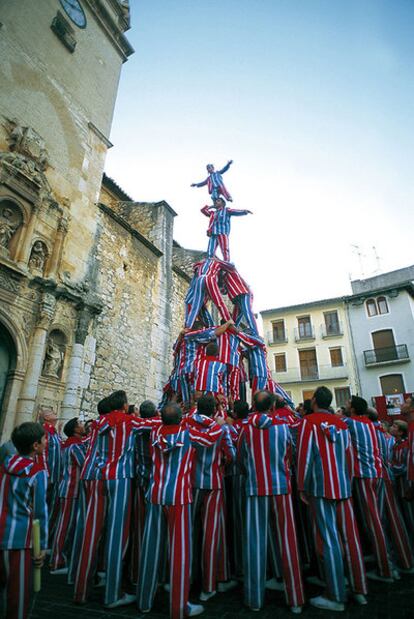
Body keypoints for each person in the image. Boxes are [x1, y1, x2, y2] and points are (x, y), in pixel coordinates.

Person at [137, 402, 224, 618]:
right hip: (179, 498)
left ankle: (144, 600)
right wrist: (217, 421)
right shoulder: (188, 434)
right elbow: (211, 435)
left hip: (156, 495)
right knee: (180, 552)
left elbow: (147, 422)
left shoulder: (155, 432)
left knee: (150, 549)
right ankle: (179, 606)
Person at [74, 390, 153, 608]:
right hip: (119, 478)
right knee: (118, 534)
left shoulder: (98, 423)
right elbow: (153, 423)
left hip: (98, 477)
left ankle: (81, 590)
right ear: (125, 406)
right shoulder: (130, 422)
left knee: (92, 533)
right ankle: (112, 594)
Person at [297, 386, 367, 611]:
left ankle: (335, 594)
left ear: (315, 400)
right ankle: (359, 588)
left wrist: (301, 486)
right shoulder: (343, 424)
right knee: (350, 539)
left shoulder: (309, 422)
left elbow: (304, 457)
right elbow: (348, 456)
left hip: (321, 488)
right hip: (343, 488)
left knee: (328, 540)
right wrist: (348, 482)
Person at [238, 390, 304, 614]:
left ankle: (254, 598)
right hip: (281, 487)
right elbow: (290, 454)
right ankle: (295, 598)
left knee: (255, 541)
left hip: (255, 487)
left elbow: (241, 457)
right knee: (288, 540)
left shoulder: (246, 428)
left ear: (254, 406)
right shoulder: (283, 427)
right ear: (273, 407)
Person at [190, 395, 236, 601]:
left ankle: (187, 577)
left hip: (191, 484)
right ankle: (208, 585)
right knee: (211, 534)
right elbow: (232, 454)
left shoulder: (187, 425)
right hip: (214, 483)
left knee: (188, 532)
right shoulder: (222, 429)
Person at [0, 422, 48, 619]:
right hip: (20, 539)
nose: (47, 442)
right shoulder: (37, 472)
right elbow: (40, 512)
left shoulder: (4, 465)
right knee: (17, 594)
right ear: (35, 446)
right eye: (44, 439)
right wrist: (42, 545)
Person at [345, 395, 394, 582]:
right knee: (378, 519)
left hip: (364, 475)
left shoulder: (351, 423)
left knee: (372, 521)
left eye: (349, 403)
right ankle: (386, 559)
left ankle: (386, 569)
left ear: (353, 408)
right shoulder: (370, 424)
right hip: (377, 473)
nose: (346, 405)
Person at [50, 417, 87, 575]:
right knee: (65, 526)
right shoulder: (75, 446)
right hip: (72, 490)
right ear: (75, 430)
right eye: (79, 424)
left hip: (66, 488)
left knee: (63, 524)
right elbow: (84, 463)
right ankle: (57, 560)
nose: (82, 425)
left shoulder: (68, 445)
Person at [36, 409, 62, 545]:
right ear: (46, 418)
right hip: (49, 478)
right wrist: (46, 475)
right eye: (51, 412)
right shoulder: (45, 432)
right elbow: (43, 454)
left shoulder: (53, 432)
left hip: (55, 478)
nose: (54, 413)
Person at [200, 198, 251, 262]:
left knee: (224, 248)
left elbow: (235, 211)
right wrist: (210, 206)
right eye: (215, 201)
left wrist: (244, 211)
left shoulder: (226, 210)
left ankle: (226, 261)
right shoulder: (212, 213)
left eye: (218, 201)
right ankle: (210, 260)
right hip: (213, 233)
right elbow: (203, 210)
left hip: (222, 233)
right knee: (210, 249)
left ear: (223, 203)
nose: (216, 202)